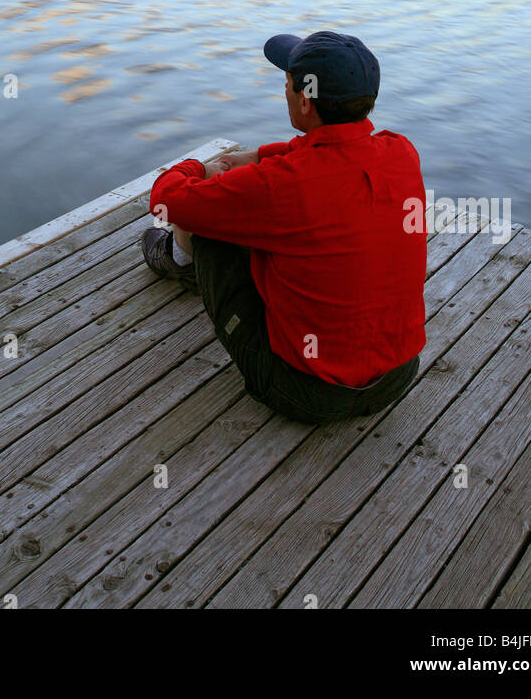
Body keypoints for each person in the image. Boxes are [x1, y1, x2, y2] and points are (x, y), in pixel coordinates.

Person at [140, 30, 426, 424]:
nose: (285, 91)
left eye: (287, 84)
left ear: (304, 101)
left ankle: (176, 260)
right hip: (398, 376)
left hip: (307, 395)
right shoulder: (401, 152)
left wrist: (199, 168)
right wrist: (258, 155)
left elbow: (165, 201)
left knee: (210, 220)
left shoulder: (282, 186)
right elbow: (329, 152)